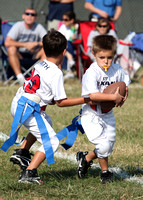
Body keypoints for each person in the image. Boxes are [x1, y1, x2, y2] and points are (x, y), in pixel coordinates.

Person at [1, 30, 93, 184]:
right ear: (64, 51)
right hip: (28, 109)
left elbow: (43, 92)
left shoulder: (41, 63)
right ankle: (29, 173)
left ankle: (22, 152)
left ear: (43, 49)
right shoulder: (56, 73)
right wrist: (86, 99)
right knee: (52, 142)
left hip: (18, 103)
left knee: (47, 121)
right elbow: (61, 102)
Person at [76, 35, 130, 184]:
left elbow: (124, 83)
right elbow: (93, 95)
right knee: (103, 145)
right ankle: (105, 173)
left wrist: (125, 92)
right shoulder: (91, 72)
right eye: (101, 57)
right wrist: (114, 98)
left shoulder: (117, 69)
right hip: (91, 113)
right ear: (93, 54)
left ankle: (85, 158)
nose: (106, 61)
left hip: (107, 113)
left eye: (109, 57)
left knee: (109, 144)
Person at [4, 8, 47, 85]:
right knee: (11, 49)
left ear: (36, 18)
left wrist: (35, 44)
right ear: (23, 16)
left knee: (46, 50)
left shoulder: (39, 27)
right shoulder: (18, 26)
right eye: (27, 14)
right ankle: (20, 77)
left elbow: (48, 41)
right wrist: (25, 44)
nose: (29, 16)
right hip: (19, 55)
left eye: (32, 14)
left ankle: (39, 76)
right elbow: (7, 42)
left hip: (34, 55)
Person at [58, 11, 79, 79]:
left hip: (75, 46)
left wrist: (73, 31)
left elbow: (73, 38)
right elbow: (59, 37)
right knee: (64, 45)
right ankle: (70, 62)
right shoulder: (63, 27)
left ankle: (69, 69)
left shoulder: (77, 27)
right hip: (65, 46)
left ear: (72, 20)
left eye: (66, 20)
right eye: (63, 19)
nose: (63, 21)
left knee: (67, 44)